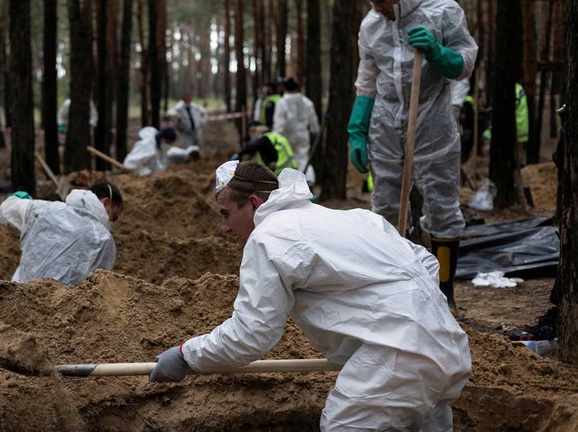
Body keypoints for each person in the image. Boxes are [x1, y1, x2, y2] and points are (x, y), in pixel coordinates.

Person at [149, 161, 472, 432]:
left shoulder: (268, 239)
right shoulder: (352, 217)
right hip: (447, 345)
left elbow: (252, 335)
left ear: (253, 203)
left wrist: (185, 354)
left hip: (400, 354)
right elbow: (425, 262)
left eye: (225, 214)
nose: (224, 228)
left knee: (343, 425)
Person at [347, 0, 478, 312]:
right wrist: (357, 129)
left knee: (442, 205)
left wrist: (438, 52)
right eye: (372, 3)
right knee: (385, 206)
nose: (376, 9)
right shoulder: (372, 26)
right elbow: (367, 79)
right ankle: (392, 286)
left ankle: (443, 292)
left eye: (381, 2)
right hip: (386, 124)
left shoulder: (442, 12)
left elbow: (465, 61)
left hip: (432, 121)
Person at [0, 182, 124, 287]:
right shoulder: (102, 238)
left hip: (18, 296)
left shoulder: (43, 209)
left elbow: (6, 209)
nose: (109, 224)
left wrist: (18, 200)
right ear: (106, 202)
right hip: (60, 310)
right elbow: (100, 284)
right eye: (113, 217)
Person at [272, 76, 320, 185]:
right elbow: (313, 118)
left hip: (286, 136)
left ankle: (288, 183)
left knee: (287, 160)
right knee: (303, 158)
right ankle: (308, 180)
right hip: (303, 134)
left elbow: (279, 122)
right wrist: (314, 129)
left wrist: (275, 137)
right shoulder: (306, 101)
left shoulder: (282, 103)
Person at [516, 83, 529, 166]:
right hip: (522, 126)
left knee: (517, 152)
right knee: (520, 150)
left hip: (517, 126)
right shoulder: (519, 88)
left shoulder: (514, 89)